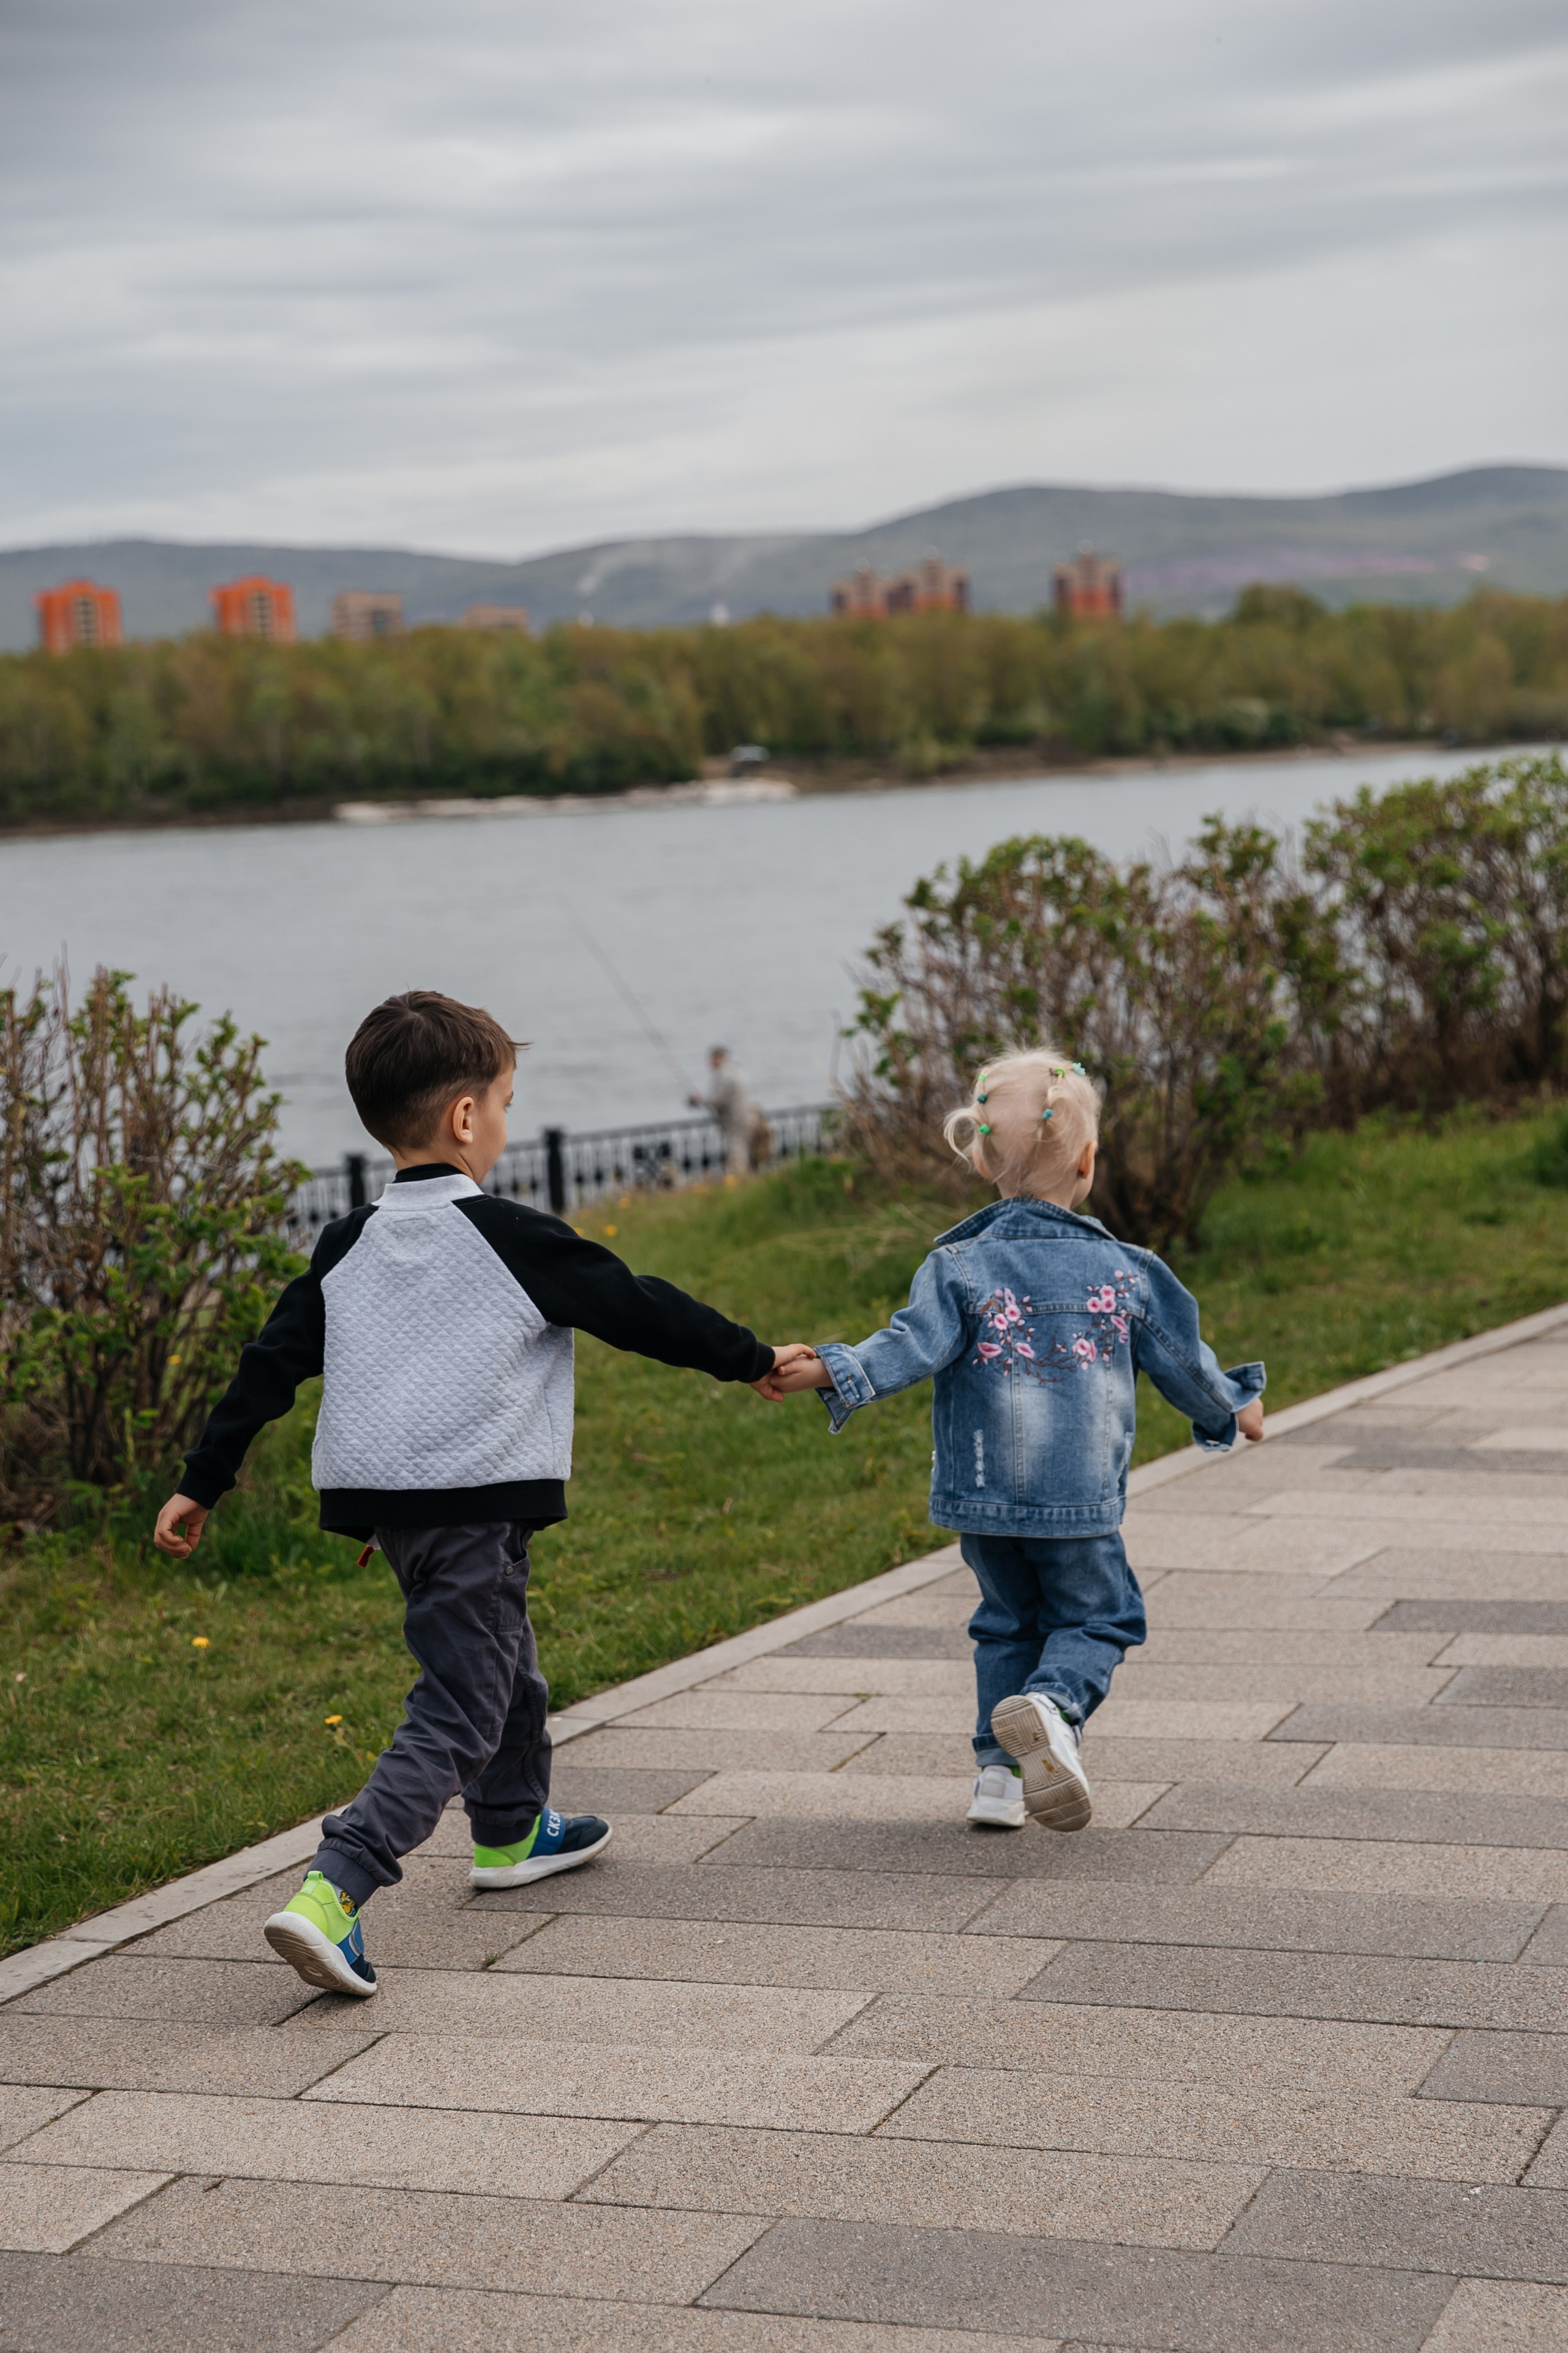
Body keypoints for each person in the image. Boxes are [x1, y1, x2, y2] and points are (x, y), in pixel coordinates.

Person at [154, 990, 806, 1998]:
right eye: (505, 1102)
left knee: (501, 1657)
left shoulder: (347, 1243)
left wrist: (202, 1481)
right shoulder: (510, 1234)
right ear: (467, 1117)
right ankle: (336, 1886)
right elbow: (638, 1307)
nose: (504, 1119)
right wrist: (751, 1357)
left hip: (391, 1508)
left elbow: (267, 1365)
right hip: (472, 1498)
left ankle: (509, 1830)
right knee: (464, 1698)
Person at [772, 1048, 1264, 1834]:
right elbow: (1183, 1363)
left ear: (979, 1162)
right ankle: (1054, 1706)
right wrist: (1232, 1406)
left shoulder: (956, 1267)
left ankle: (997, 1783)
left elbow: (907, 1344)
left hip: (982, 1497)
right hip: (1077, 1498)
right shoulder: (1126, 1270)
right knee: (1102, 1617)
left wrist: (834, 1369)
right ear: (1088, 1160)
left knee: (1006, 1622)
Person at [690, 1045, 757, 1177]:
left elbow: (717, 1099)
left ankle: (739, 1178)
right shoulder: (738, 1071)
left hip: (735, 1120)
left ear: (718, 1058)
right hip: (746, 1115)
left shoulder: (726, 1076)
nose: (710, 1063)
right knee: (744, 1149)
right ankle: (746, 1175)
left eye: (711, 1059)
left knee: (737, 1150)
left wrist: (700, 1100)